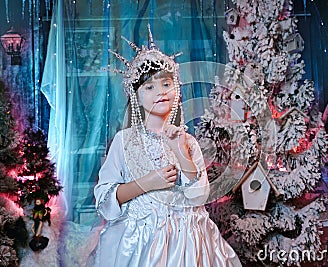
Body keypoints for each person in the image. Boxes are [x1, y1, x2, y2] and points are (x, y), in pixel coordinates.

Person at [89, 25, 241, 267]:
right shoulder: (124, 141)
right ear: (137, 96)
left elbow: (198, 196)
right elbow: (105, 199)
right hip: (140, 244)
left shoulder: (188, 141)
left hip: (188, 244)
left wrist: (181, 151)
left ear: (177, 90)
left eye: (166, 84)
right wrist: (147, 182)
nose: (160, 92)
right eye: (149, 87)